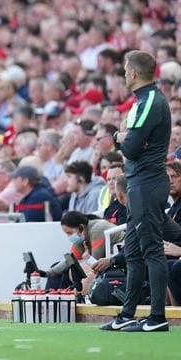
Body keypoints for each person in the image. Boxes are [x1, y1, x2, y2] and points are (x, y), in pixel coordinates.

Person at [102, 50, 171, 332]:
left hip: (147, 183)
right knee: (132, 252)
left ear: (132, 73)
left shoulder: (150, 100)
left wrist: (120, 137)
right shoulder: (144, 100)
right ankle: (127, 313)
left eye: (125, 70)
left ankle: (157, 317)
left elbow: (129, 148)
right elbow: (132, 146)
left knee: (151, 250)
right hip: (138, 183)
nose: (123, 75)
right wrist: (127, 140)